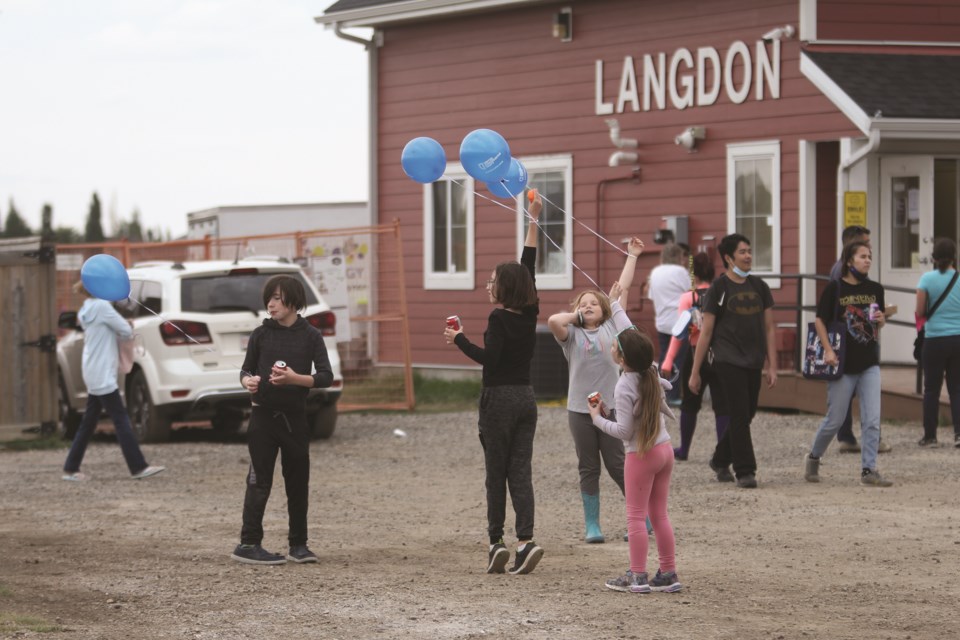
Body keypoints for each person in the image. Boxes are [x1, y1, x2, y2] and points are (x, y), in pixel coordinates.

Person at [445, 191, 544, 575]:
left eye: (492, 281)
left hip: (498, 400)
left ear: (505, 289)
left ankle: (496, 543)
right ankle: (526, 541)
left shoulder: (499, 319)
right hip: (527, 398)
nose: (489, 285)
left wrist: (459, 341)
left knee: (495, 474)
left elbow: (489, 359)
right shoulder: (530, 310)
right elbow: (528, 266)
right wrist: (533, 220)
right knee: (520, 471)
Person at [547, 238, 645, 544]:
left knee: (617, 464)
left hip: (612, 408)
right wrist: (576, 316)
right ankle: (593, 525)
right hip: (579, 410)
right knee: (588, 467)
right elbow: (553, 320)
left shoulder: (611, 329)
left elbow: (623, 289)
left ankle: (641, 518)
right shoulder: (571, 335)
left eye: (593, 303)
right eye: (582, 304)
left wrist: (632, 256)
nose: (588, 306)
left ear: (603, 311)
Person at [232, 275, 334, 565]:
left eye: (277, 297)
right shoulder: (260, 334)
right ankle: (249, 543)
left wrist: (294, 379)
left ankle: (298, 545)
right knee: (258, 481)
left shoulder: (311, 335)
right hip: (262, 418)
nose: (271, 303)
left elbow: (326, 377)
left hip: (295, 420)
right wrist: (247, 382)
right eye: (269, 298)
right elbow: (245, 370)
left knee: (298, 482)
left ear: (293, 301)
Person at [588, 324, 681, 594]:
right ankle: (668, 573)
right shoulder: (650, 372)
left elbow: (625, 431)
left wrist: (597, 419)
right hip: (664, 451)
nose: (612, 347)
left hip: (641, 455)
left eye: (615, 346)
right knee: (659, 515)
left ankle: (638, 576)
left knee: (636, 518)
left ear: (622, 358)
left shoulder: (624, 384)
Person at [689, 233, 777, 489]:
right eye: (742, 252)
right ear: (728, 258)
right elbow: (706, 332)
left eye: (749, 251)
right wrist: (695, 371)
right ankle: (745, 470)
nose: (748, 256)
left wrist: (772, 364)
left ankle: (719, 459)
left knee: (746, 413)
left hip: (753, 360)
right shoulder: (719, 288)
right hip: (727, 360)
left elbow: (769, 328)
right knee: (739, 414)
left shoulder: (760, 287)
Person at [803, 241, 893, 486]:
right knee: (835, 419)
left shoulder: (876, 289)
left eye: (870, 257)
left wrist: (882, 319)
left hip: (869, 362)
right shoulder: (835, 288)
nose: (867, 261)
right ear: (849, 261)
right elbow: (820, 321)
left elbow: (878, 322)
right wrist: (828, 350)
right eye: (862, 256)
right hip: (842, 363)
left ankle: (869, 470)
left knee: (872, 419)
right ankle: (813, 457)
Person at [62, 281, 166, 482]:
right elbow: (125, 331)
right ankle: (138, 466)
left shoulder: (87, 308)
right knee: (120, 419)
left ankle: (71, 467)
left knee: (89, 422)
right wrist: (127, 324)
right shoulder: (102, 306)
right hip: (103, 373)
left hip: (92, 369)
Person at [828, 226, 890, 454]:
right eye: (864, 246)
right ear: (851, 246)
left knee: (853, 392)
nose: (869, 251)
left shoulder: (850, 271)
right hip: (852, 342)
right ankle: (857, 437)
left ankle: (850, 437)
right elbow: (838, 310)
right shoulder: (841, 275)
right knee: (861, 393)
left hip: (859, 338)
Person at [661, 252, 729, 460]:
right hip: (720, 354)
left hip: (694, 354)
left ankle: (684, 450)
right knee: (722, 405)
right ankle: (722, 451)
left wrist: (668, 359)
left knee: (690, 404)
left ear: (693, 275)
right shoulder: (722, 294)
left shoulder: (687, 298)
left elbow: (679, 332)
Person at [915, 237, 960, 448]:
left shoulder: (926, 280)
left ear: (934, 257)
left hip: (934, 340)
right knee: (957, 389)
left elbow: (921, 311)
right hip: (958, 339)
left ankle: (931, 436)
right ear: (954, 257)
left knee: (931, 389)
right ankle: (959, 435)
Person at [648, 243, 691, 406]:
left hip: (662, 321)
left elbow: (652, 296)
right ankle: (672, 396)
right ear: (678, 257)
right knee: (677, 360)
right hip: (679, 321)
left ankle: (660, 393)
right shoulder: (681, 272)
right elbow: (690, 293)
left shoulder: (655, 272)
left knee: (665, 357)